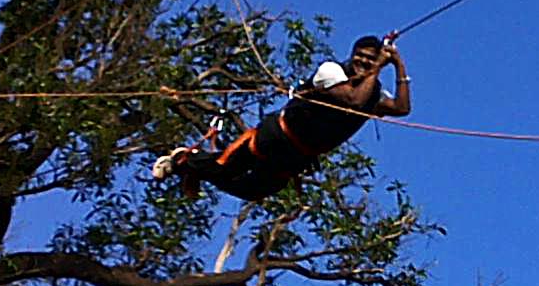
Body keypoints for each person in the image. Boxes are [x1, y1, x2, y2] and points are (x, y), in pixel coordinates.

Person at [152, 35, 412, 203]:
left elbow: (401, 108)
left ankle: (195, 167)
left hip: (296, 156)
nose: (363, 63)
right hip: (275, 136)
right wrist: (378, 66)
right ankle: (182, 159)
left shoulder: (372, 93)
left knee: (252, 191)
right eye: (360, 57)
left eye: (370, 59)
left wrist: (399, 66)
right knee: (224, 167)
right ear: (351, 54)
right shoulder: (331, 71)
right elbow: (352, 99)